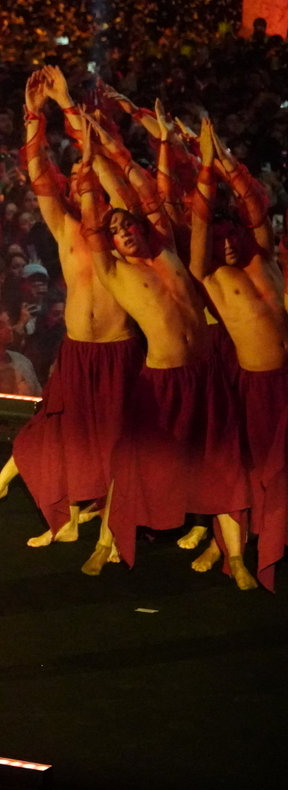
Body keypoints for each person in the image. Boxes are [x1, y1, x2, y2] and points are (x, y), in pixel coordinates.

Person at [72, 121, 250, 579]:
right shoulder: (114, 272)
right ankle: (107, 541)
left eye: (127, 223)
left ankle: (234, 556)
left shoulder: (167, 249)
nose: (124, 230)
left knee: (222, 459)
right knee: (132, 460)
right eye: (115, 230)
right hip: (163, 379)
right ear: (108, 242)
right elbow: (93, 218)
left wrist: (122, 151)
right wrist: (89, 164)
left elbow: (147, 194)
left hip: (205, 372)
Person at [0, 69, 142, 549]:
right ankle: (51, 506)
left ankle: (109, 524)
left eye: (87, 177)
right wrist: (31, 115)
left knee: (115, 441)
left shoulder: (121, 229)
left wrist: (68, 104)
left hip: (115, 350)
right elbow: (37, 174)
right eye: (75, 178)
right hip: (76, 351)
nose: (80, 180)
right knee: (55, 430)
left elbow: (114, 169)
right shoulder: (66, 230)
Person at [188, 118, 287, 589]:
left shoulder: (262, 258)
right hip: (257, 384)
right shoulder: (211, 277)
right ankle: (234, 549)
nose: (226, 245)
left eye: (233, 238)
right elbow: (201, 226)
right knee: (249, 471)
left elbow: (255, 207)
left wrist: (228, 161)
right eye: (218, 241)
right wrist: (206, 169)